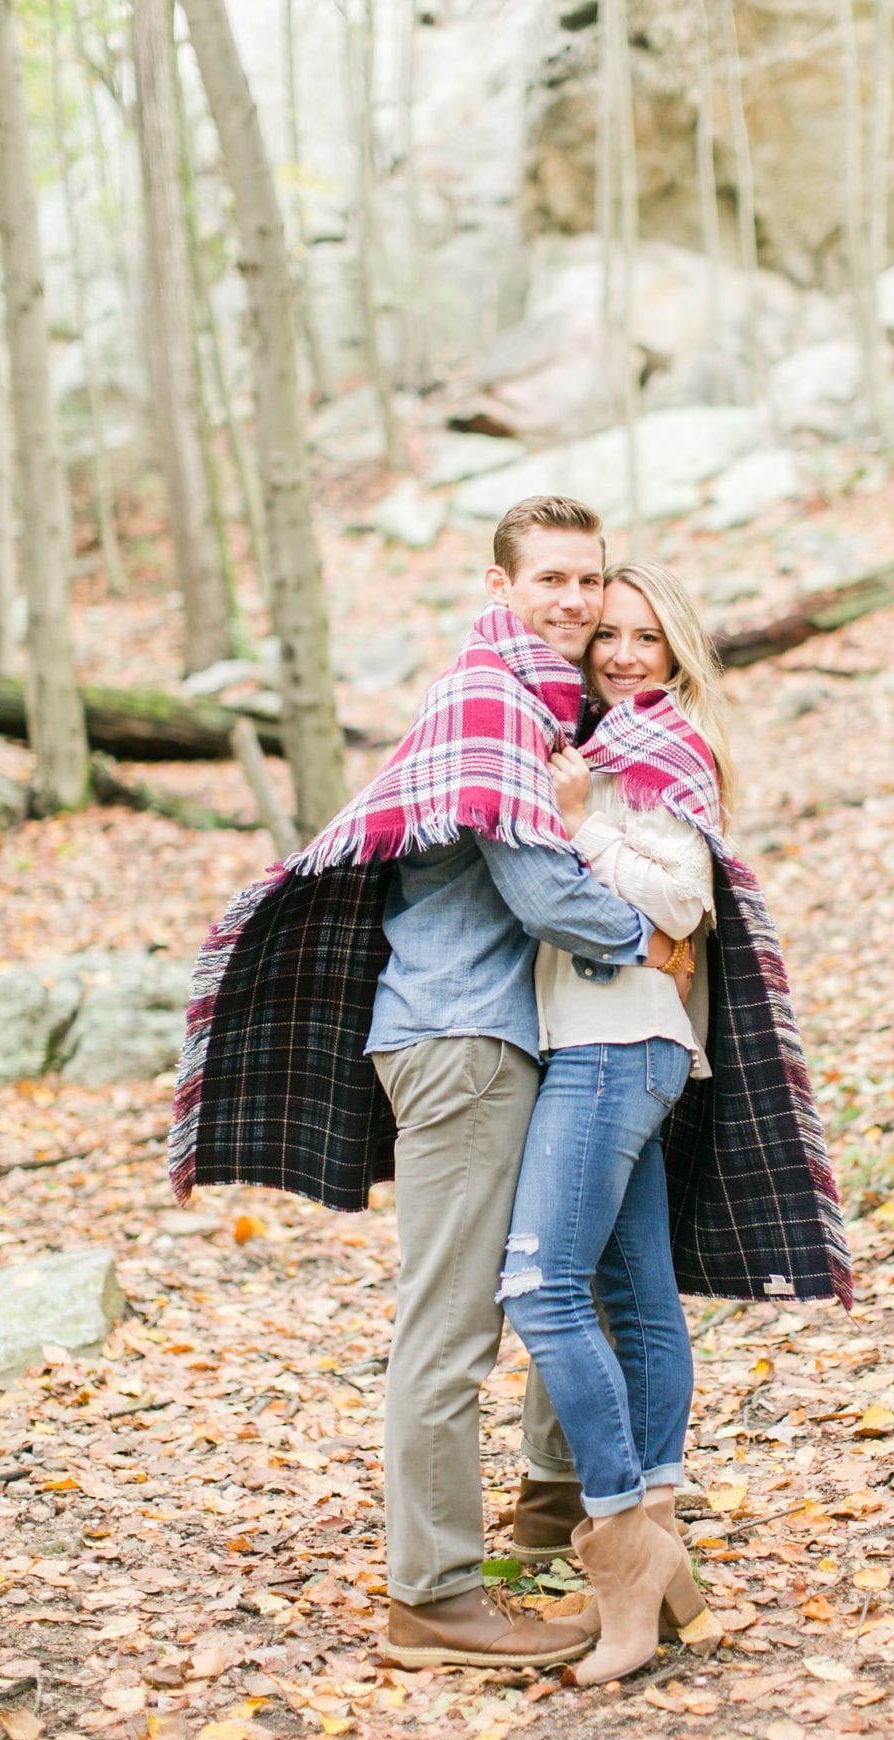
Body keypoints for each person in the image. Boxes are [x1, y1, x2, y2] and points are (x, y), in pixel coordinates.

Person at [170, 496, 689, 1673]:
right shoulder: (490, 701)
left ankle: (559, 1507)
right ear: (497, 585)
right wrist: (651, 938)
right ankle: (434, 1594)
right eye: (549, 579)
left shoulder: (543, 706)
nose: (572, 601)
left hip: (516, 1037)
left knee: (567, 1272)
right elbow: (545, 896)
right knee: (453, 1321)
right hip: (462, 1041)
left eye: (587, 582)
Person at [497, 562, 852, 1684]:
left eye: (649, 637)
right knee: (635, 1295)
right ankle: (660, 1554)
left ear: (679, 649)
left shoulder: (656, 751)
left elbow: (686, 901)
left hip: (616, 1044)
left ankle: (617, 1531)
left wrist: (583, 827)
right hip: (625, 1039)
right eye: (610, 634)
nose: (626, 655)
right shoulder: (593, 744)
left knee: (539, 1287)